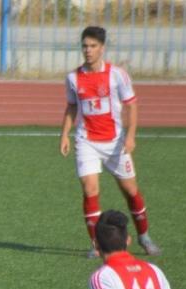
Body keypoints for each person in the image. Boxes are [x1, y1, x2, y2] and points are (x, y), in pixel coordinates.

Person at [60, 26, 161, 259]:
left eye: (93, 46)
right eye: (85, 46)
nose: (88, 50)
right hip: (86, 141)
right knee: (90, 190)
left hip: (115, 143)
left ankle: (144, 236)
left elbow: (131, 105)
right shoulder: (73, 78)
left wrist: (131, 136)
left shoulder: (117, 75)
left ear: (102, 48)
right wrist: (64, 134)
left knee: (131, 191)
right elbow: (72, 106)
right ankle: (96, 244)